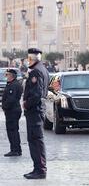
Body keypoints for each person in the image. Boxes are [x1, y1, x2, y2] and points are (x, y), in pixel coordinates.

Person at [22, 48, 49, 179]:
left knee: (36, 140)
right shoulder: (42, 69)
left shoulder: (36, 72)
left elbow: (37, 93)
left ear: (32, 59)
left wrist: (26, 104)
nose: (28, 61)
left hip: (35, 110)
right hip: (37, 109)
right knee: (35, 139)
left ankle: (40, 170)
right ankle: (37, 168)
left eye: (29, 58)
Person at [2, 69, 23, 157]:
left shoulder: (14, 85)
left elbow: (11, 99)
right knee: (13, 130)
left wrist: (4, 106)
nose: (6, 76)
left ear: (12, 76)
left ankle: (15, 150)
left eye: (7, 75)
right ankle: (16, 149)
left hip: (12, 111)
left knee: (12, 131)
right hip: (12, 110)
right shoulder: (12, 84)